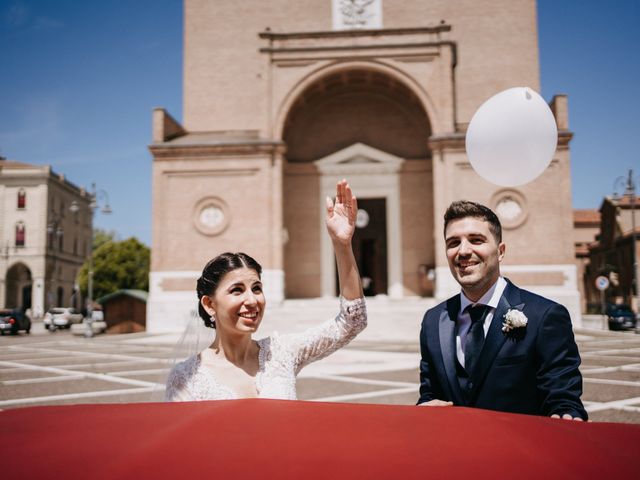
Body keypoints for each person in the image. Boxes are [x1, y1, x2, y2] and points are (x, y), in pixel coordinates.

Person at [165, 180, 366, 401]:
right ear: (209, 304)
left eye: (257, 288)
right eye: (237, 290)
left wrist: (342, 245)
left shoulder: (281, 353)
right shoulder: (186, 377)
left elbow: (353, 321)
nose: (252, 300)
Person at [417, 200, 587, 420]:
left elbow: (563, 398)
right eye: (453, 243)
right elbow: (429, 393)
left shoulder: (545, 316)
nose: (463, 251)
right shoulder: (433, 320)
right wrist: (424, 409)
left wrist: (566, 415)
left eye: (476, 240)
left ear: (500, 251)